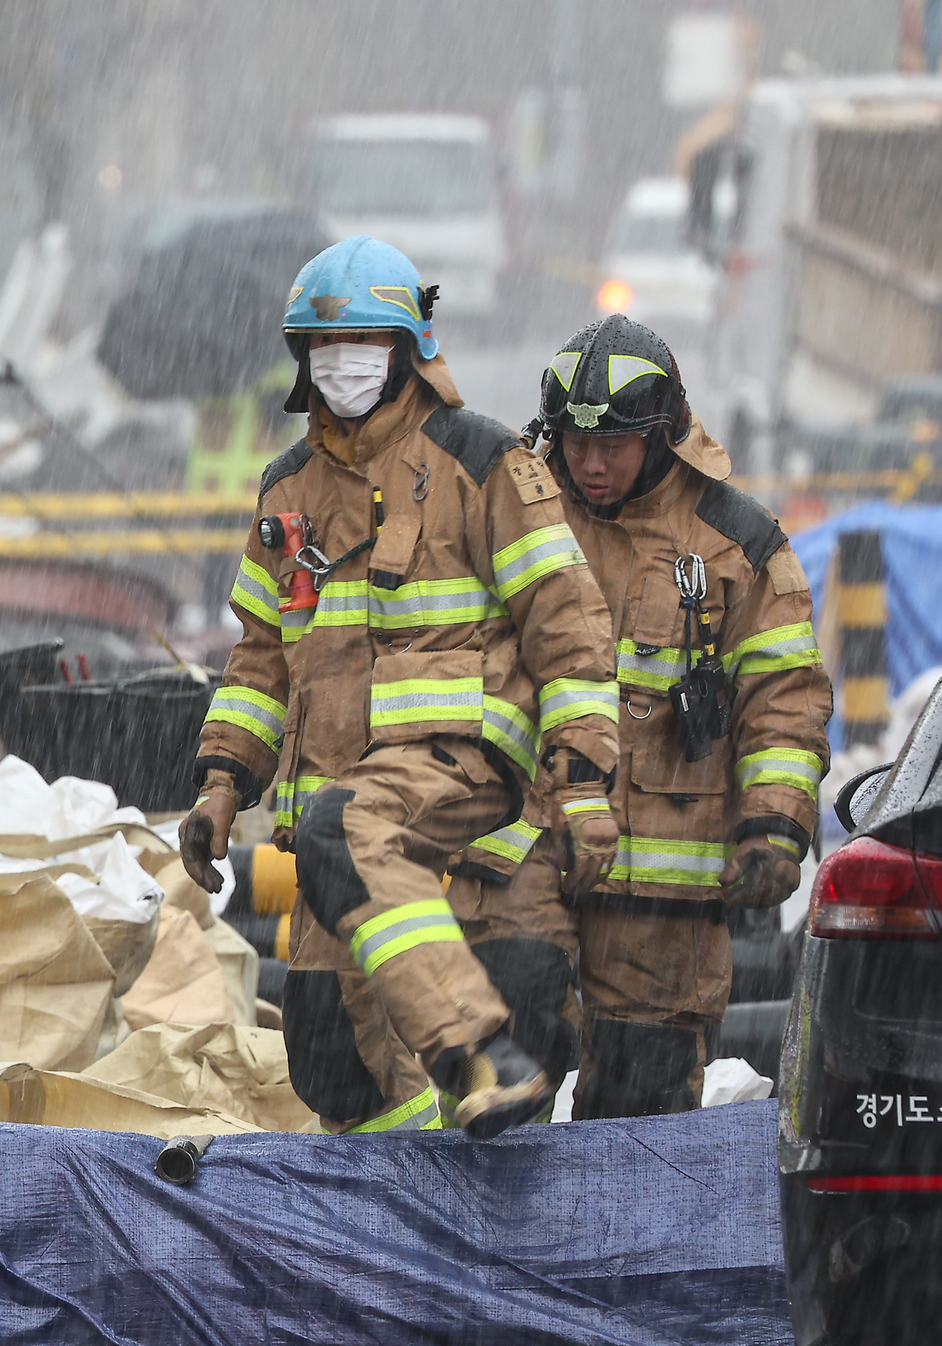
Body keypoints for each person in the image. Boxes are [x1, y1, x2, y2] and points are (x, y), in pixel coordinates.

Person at [179, 236, 622, 1138]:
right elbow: (261, 658)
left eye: (367, 345)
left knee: (354, 828)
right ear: (304, 361)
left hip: (457, 761)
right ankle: (429, 1186)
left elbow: (571, 633)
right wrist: (223, 785)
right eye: (325, 348)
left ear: (410, 349)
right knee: (330, 1062)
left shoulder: (485, 463)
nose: (343, 365)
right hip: (333, 805)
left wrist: (582, 787)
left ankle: (478, 1055)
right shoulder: (286, 491)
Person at [449, 315, 831, 1118]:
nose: (590, 463)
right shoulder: (515, 513)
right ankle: (499, 1245)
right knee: (504, 1059)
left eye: (613, 445)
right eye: (575, 443)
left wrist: (772, 826)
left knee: (640, 1114)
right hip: (528, 848)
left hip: (665, 889)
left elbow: (784, 698)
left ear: (664, 435)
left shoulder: (736, 546)